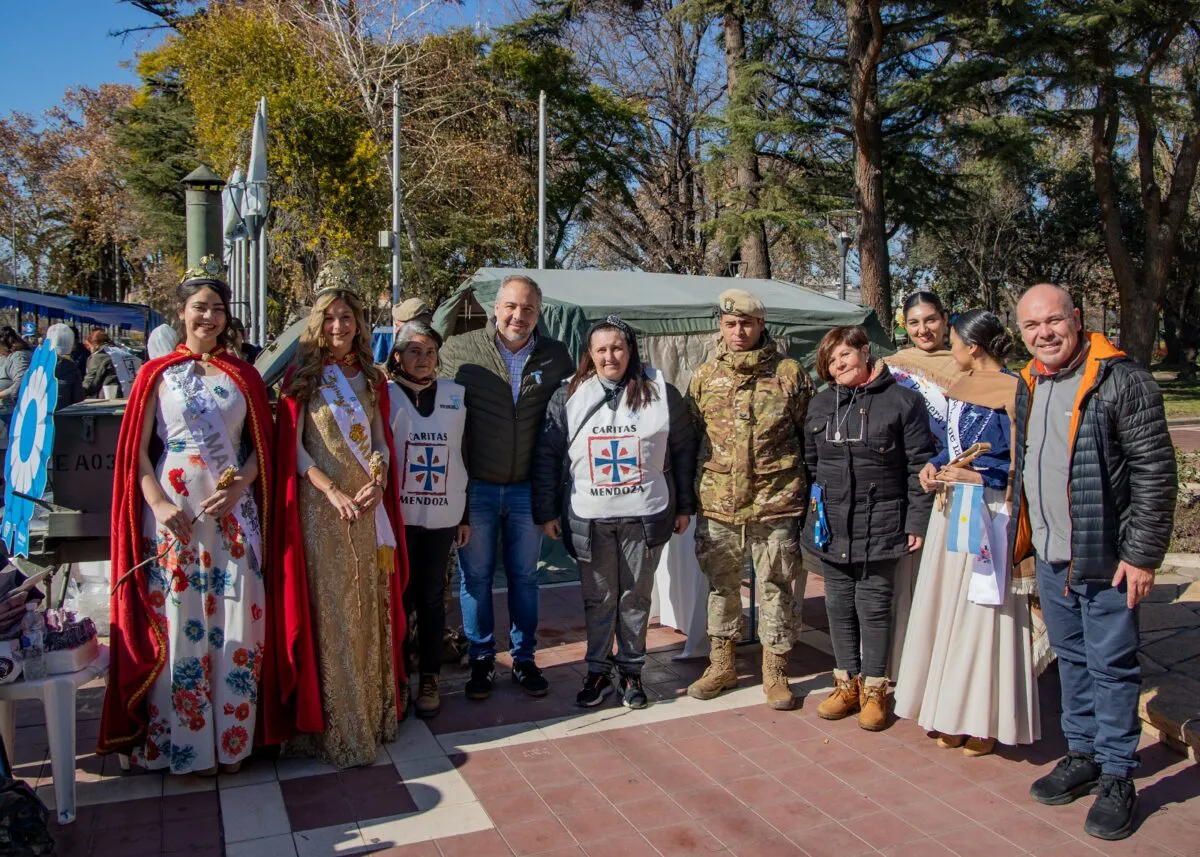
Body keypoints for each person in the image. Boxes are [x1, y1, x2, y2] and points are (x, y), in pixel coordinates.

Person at [1011, 284, 1177, 842]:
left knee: (1112, 667)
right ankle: (1081, 754)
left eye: (1053, 321)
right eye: (1032, 326)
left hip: (1106, 557)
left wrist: (1142, 554)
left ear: (1077, 320)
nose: (1044, 334)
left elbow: (1155, 471)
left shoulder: (1120, 380)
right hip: (1053, 558)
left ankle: (1117, 775)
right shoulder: (1029, 382)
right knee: (1071, 660)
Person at [97, 267, 274, 775]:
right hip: (177, 513)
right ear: (182, 312)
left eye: (217, 309)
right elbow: (136, 451)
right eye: (200, 307)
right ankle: (185, 746)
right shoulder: (157, 375)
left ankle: (233, 741)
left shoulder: (244, 375)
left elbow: (262, 446)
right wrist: (157, 504)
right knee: (183, 622)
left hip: (232, 513)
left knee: (236, 619)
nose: (209, 317)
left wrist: (240, 485)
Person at [272, 261, 409, 768]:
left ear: (358, 322)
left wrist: (377, 480)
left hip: (367, 506)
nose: (338, 326)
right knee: (330, 614)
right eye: (329, 317)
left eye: (346, 316)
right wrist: (329, 489)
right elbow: (296, 449)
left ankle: (372, 716)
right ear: (316, 322)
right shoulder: (303, 376)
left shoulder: (372, 377)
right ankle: (335, 725)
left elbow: (379, 441)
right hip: (321, 507)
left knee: (367, 610)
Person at [894, 310, 1039, 756]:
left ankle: (984, 719)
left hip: (991, 512)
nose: (947, 348)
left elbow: (1026, 455)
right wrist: (934, 465)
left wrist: (985, 480)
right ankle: (949, 709)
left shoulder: (1015, 389)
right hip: (952, 509)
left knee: (984, 614)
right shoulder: (959, 387)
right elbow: (950, 443)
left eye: (953, 341)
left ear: (972, 347)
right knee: (948, 609)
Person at [533, 316, 697, 709]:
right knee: (599, 598)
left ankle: (631, 672)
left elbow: (684, 450)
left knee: (635, 598)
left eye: (618, 348)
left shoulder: (661, 391)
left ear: (631, 350)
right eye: (601, 349)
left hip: (645, 516)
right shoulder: (568, 395)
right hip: (589, 519)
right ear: (589, 354)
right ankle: (597, 671)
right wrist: (547, 510)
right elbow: (547, 455)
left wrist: (686, 505)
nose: (611, 356)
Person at [439, 274, 573, 699]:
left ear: (539, 313)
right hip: (474, 487)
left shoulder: (556, 357)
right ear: (495, 308)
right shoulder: (459, 353)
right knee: (474, 578)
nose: (519, 316)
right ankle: (480, 659)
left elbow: (564, 424)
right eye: (512, 307)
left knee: (524, 578)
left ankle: (524, 658)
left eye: (529, 309)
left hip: (526, 489)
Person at [686, 289, 814, 711]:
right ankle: (721, 664)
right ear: (720, 326)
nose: (738, 331)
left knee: (776, 584)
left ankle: (775, 671)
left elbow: (805, 434)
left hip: (775, 500)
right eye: (730, 323)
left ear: (761, 325)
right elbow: (693, 437)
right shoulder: (705, 376)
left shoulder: (789, 373)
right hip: (719, 502)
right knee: (721, 585)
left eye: (746, 323)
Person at [804, 326, 934, 730]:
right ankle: (847, 685)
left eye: (844, 355)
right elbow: (810, 463)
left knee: (874, 608)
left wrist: (916, 520)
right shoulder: (821, 405)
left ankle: (876, 689)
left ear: (864, 352)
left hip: (882, 521)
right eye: (830, 360)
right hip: (831, 525)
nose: (838, 365)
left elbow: (919, 465)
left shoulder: (903, 402)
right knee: (838, 606)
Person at [385, 320, 469, 720]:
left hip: (442, 516)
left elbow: (463, 454)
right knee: (398, 599)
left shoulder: (455, 395)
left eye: (430, 352)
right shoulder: (382, 396)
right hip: (397, 518)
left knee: (432, 599)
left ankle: (430, 678)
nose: (423, 359)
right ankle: (400, 676)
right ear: (397, 356)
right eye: (414, 351)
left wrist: (465, 515)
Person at [883, 291, 964, 676]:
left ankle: (947, 663)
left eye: (930, 320)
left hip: (958, 486)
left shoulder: (967, 366)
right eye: (914, 323)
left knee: (950, 580)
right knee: (907, 580)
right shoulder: (891, 368)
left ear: (945, 319)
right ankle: (907, 664)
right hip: (908, 484)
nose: (923, 329)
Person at [82, 329, 143, 398]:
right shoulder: (123, 352)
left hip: (111, 397)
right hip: (132, 396)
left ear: (95, 345)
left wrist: (78, 393)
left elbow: (91, 382)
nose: (90, 350)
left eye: (90, 347)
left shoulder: (101, 355)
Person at [46, 324, 84, 410]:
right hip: (63, 414)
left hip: (39, 415)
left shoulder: (39, 362)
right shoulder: (70, 366)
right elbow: (78, 398)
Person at [0, 326, 32, 402]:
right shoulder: (4, 356)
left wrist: (1, 394)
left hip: (11, 409)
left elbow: (21, 382)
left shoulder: (18, 357)